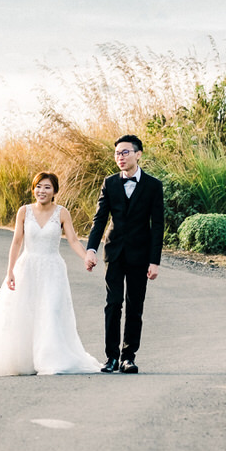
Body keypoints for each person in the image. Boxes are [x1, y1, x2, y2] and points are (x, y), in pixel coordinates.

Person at [0, 172, 101, 378]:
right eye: (38, 186)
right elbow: (16, 242)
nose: (42, 191)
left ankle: (50, 359)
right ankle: (25, 360)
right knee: (25, 311)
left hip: (52, 269)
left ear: (55, 192)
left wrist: (86, 257)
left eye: (47, 187)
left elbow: (73, 240)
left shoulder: (62, 213)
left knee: (50, 311)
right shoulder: (24, 211)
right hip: (28, 267)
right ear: (34, 189)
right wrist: (10, 271)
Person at [84, 134, 164, 374]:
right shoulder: (110, 183)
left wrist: (155, 261)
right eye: (117, 153)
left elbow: (157, 225)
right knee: (113, 304)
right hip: (115, 252)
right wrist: (91, 249)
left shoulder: (153, 185)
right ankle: (111, 357)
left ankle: (128, 357)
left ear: (138, 154)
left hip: (141, 255)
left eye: (125, 152)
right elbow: (99, 219)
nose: (120, 157)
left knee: (134, 306)